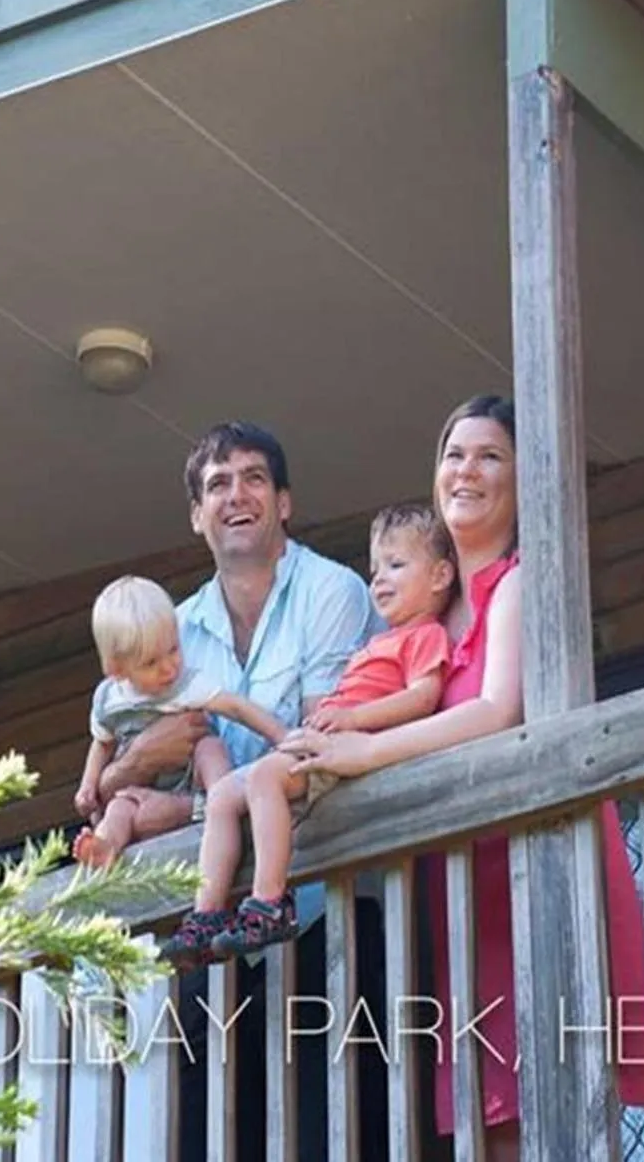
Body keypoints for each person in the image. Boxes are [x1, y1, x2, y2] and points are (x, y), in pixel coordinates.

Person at [280, 395, 644, 1162]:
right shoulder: (422, 617)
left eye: (490, 456)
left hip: (535, 863)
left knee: (554, 1092)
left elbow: (495, 710)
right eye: (454, 454)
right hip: (462, 885)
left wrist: (367, 754)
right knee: (486, 1110)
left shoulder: (517, 583)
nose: (467, 470)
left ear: (523, 479)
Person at [115, 422, 384, 1162]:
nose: (237, 495)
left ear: (284, 502)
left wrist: (191, 804)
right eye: (218, 484)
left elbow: (314, 750)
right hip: (214, 931)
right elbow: (115, 778)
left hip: (326, 908)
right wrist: (138, 759)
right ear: (196, 516)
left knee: (334, 1134)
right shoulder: (174, 630)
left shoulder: (331, 592)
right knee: (209, 1137)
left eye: (254, 478)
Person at [157, 502, 454, 965]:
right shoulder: (379, 642)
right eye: (375, 569)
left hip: (343, 750)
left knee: (263, 778)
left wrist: (353, 718)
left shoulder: (426, 635)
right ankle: (206, 914)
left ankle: (270, 902)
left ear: (439, 576)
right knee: (222, 796)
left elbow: (423, 697)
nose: (379, 579)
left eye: (396, 565)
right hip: (318, 742)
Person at [72, 575, 289, 868]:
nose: (169, 668)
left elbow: (235, 707)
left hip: (192, 782)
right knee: (119, 810)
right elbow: (102, 743)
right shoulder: (109, 700)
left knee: (210, 747)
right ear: (117, 670)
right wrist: (87, 785)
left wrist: (281, 735)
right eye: (151, 662)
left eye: (173, 649)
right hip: (145, 794)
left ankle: (223, 799)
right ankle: (105, 846)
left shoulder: (186, 685)